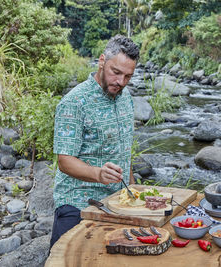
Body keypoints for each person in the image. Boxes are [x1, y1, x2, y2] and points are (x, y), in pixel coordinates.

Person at [50, 35, 140, 248]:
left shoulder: (126, 98)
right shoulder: (74, 102)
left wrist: (133, 190)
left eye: (128, 76)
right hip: (77, 203)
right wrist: (98, 174)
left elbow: (123, 150)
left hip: (117, 200)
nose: (120, 81)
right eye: (115, 72)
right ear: (101, 61)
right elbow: (64, 160)